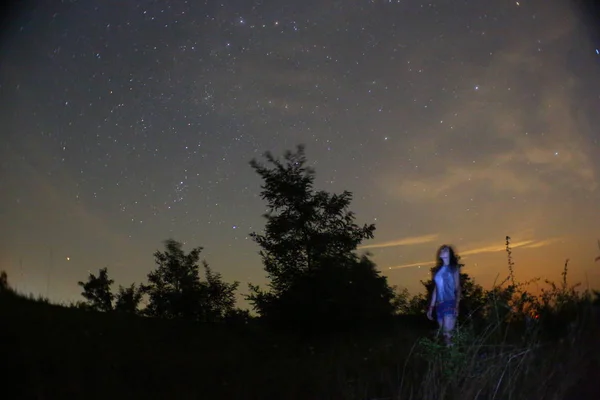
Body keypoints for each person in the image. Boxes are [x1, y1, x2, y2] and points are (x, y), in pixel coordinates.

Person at [426, 244, 461, 346]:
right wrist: (431, 308)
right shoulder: (437, 271)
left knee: (447, 336)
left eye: (444, 250)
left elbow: (458, 287)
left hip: (449, 302)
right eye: (441, 249)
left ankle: (454, 359)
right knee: (444, 337)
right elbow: (436, 289)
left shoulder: (454, 268)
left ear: (449, 253)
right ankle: (451, 358)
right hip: (439, 305)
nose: (441, 250)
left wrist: (457, 305)